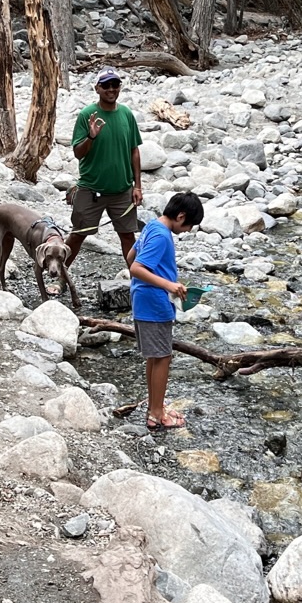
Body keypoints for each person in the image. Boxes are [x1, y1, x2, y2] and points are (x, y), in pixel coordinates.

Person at [128, 192, 204, 431]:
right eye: (189, 224)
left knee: (155, 355)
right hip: (155, 303)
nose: (189, 230)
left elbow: (131, 255)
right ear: (181, 216)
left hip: (142, 300)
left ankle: (155, 405)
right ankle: (157, 413)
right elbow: (136, 267)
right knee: (163, 357)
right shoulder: (162, 236)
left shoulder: (152, 226)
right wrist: (169, 284)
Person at [66, 67, 143, 266]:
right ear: (97, 88)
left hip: (122, 190)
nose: (111, 89)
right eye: (106, 85)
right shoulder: (87, 114)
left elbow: (134, 150)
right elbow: (78, 153)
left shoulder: (126, 114)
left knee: (127, 237)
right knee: (78, 235)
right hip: (91, 189)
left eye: (115, 84)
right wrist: (91, 136)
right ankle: (59, 276)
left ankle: (138, 282)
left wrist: (137, 186)